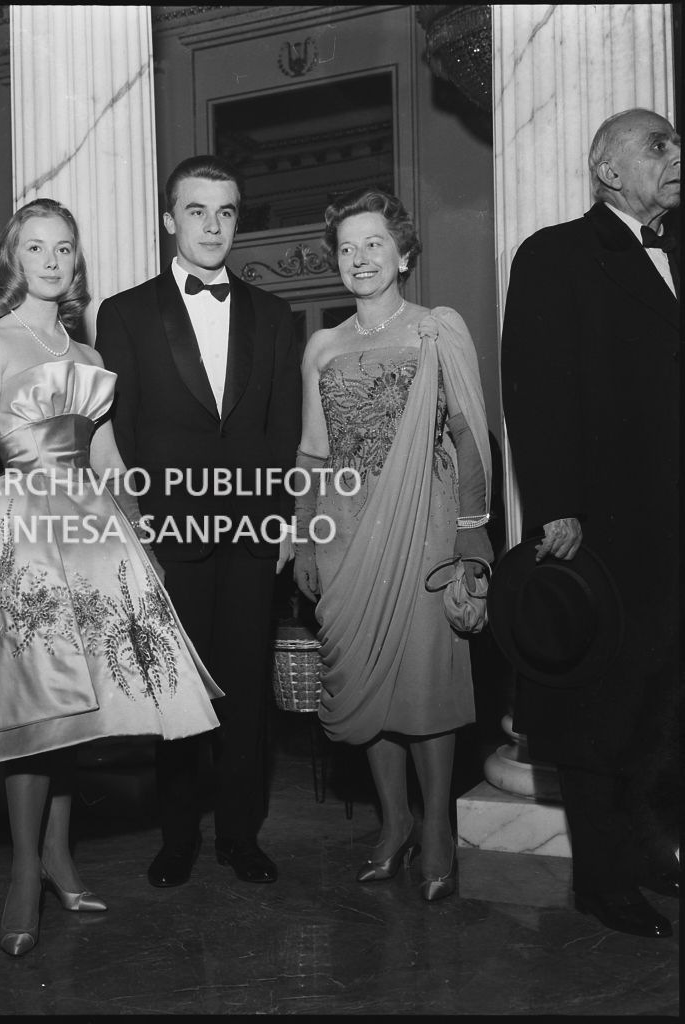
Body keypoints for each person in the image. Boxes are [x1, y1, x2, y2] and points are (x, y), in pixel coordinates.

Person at [0, 197, 222, 956]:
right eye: (36, 247)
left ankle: (61, 858)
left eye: (63, 247)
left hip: (93, 537)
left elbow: (107, 458)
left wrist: (141, 534)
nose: (52, 260)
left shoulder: (89, 357)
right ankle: (23, 874)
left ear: (76, 260)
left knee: (76, 716)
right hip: (24, 534)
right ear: (15, 259)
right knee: (33, 714)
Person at [95, 156, 302, 889]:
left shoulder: (274, 315)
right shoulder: (123, 313)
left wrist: (282, 520)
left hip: (251, 531)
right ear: (168, 220)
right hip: (168, 534)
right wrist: (135, 528)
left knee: (246, 689)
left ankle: (241, 837)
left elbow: (283, 427)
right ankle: (177, 838)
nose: (213, 226)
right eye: (196, 210)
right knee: (176, 689)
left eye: (226, 212)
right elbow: (118, 430)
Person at [500, 108, 680, 938]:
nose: (676, 155)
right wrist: (555, 506)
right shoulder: (555, 253)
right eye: (658, 145)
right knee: (600, 709)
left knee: (663, 702)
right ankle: (601, 882)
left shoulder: (674, 250)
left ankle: (645, 851)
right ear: (608, 169)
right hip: (605, 529)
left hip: (674, 527)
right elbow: (533, 387)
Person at [293, 188, 492, 903]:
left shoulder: (437, 329)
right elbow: (312, 450)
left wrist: (472, 534)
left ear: (403, 253)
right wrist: (304, 535)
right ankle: (395, 821)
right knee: (365, 683)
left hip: (426, 527)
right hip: (345, 530)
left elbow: (469, 434)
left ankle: (437, 826)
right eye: (347, 248)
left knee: (424, 681)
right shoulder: (322, 346)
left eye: (373, 243)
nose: (360, 258)